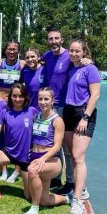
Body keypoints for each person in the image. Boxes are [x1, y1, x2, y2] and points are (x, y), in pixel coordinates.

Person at [63, 39, 100, 214]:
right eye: (71, 51)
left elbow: (95, 95)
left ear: (84, 52)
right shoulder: (72, 68)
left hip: (83, 114)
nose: (74, 54)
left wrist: (85, 117)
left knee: (78, 157)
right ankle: (81, 189)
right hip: (69, 112)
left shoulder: (90, 69)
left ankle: (77, 200)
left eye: (78, 51)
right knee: (70, 153)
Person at [22, 87, 70, 214]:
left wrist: (43, 159)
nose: (43, 102)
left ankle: (34, 209)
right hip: (34, 156)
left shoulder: (57, 120)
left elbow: (57, 146)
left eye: (46, 99)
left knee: (33, 170)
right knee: (36, 198)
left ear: (52, 100)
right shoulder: (36, 115)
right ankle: (66, 199)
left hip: (51, 160)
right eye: (40, 99)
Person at [41, 27, 75, 192]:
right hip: (51, 107)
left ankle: (70, 182)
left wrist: (87, 60)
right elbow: (35, 61)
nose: (53, 41)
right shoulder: (46, 56)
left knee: (67, 147)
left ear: (62, 40)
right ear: (47, 41)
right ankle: (56, 178)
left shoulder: (69, 55)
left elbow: (82, 61)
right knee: (54, 144)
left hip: (65, 107)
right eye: (50, 39)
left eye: (56, 38)